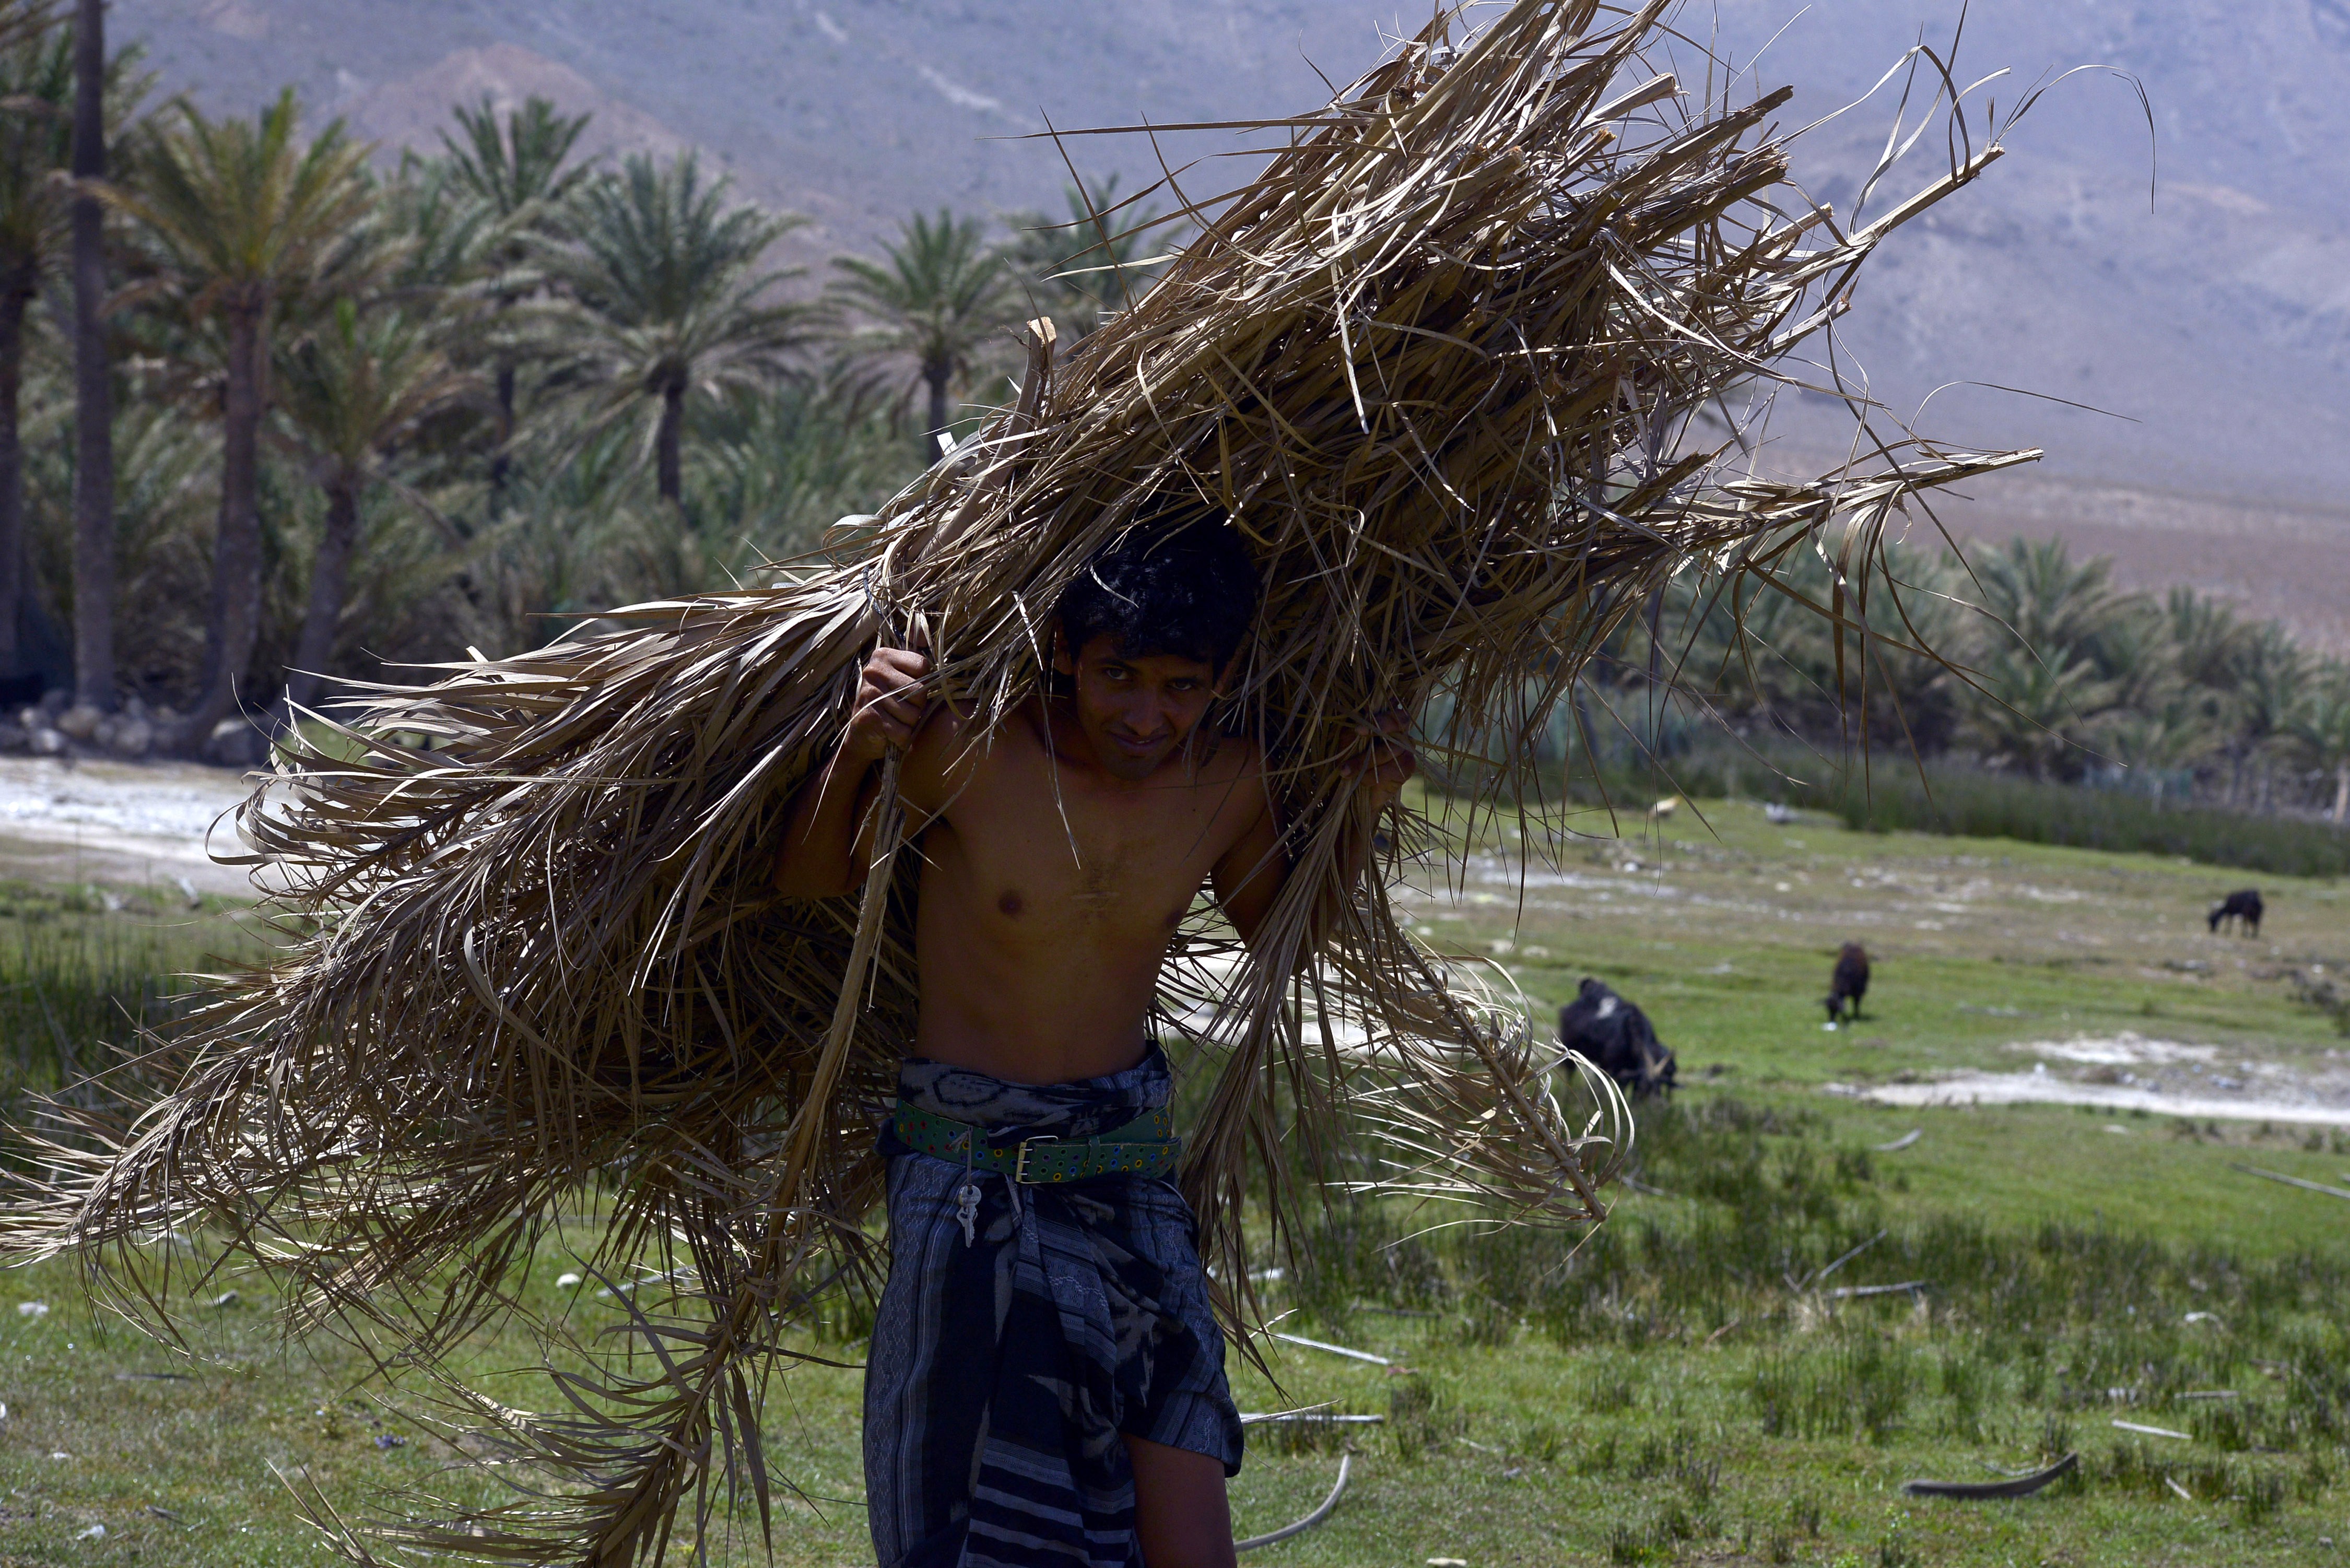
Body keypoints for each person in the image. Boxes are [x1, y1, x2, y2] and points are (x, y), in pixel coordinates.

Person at [774, 516, 1414, 1568]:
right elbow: (809, 877)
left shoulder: (1226, 782)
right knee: (972, 1531)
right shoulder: (972, 750)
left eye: (1181, 687)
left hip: (1129, 1181)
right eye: (1119, 675)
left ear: (1221, 682)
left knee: (1186, 1507)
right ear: (1067, 654)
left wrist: (1358, 813)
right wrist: (858, 740)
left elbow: (1279, 938)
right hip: (972, 1181)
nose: (1147, 714)